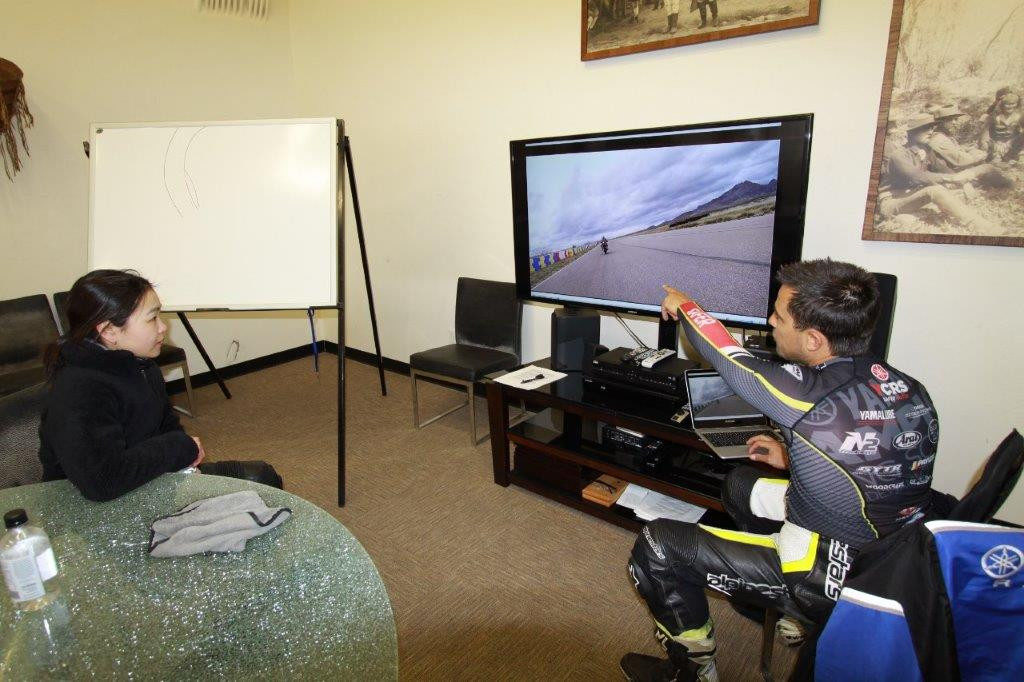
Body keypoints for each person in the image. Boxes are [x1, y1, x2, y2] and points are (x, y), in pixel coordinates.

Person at [621, 260, 942, 682]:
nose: (770, 321)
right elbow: (866, 463)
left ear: (813, 339)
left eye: (779, 316)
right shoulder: (904, 385)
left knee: (656, 545)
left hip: (829, 571)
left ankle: (694, 672)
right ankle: (772, 604)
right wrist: (790, 458)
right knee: (740, 485)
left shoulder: (809, 393)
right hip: (892, 552)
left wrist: (684, 305)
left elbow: (729, 357)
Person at [39, 269, 282, 502]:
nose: (163, 326)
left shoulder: (142, 366)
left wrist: (183, 455)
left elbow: (166, 424)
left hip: (149, 480)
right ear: (110, 331)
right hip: (98, 507)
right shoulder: (79, 390)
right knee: (254, 494)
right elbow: (103, 481)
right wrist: (177, 448)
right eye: (152, 318)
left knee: (264, 479)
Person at [877, 113, 1000, 234]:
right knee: (935, 190)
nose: (930, 131)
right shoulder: (899, 155)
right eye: (925, 128)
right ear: (912, 132)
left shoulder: (926, 149)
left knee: (961, 186)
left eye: (931, 127)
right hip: (893, 200)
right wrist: (952, 179)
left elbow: (942, 169)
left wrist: (963, 181)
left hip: (914, 196)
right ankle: (980, 225)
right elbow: (916, 177)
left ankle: (915, 215)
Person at [925, 104, 987, 173]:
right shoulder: (939, 138)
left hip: (954, 170)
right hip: (950, 174)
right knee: (988, 168)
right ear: (941, 122)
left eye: (956, 119)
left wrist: (969, 149)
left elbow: (957, 149)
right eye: (951, 120)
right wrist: (979, 156)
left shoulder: (945, 135)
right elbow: (959, 159)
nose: (955, 123)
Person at [979, 87, 1023, 162]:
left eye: (1013, 104)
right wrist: (985, 142)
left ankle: (1010, 154)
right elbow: (985, 131)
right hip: (996, 142)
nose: (1010, 106)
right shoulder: (995, 116)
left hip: (1012, 142)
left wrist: (1011, 143)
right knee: (986, 143)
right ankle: (996, 154)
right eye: (1007, 104)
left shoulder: (1019, 115)